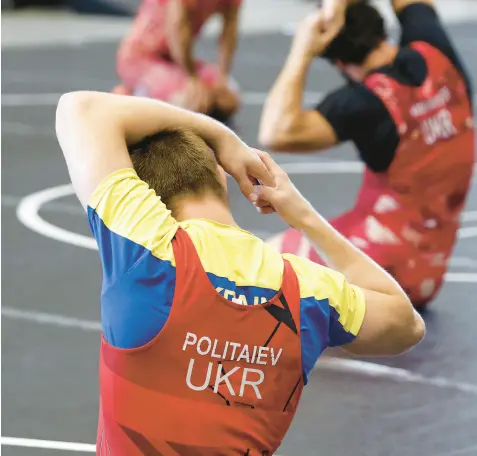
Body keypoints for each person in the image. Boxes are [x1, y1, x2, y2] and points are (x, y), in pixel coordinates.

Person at [56, 91, 424, 455]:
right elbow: (406, 326)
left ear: (142, 195)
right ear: (221, 175)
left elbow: (81, 108)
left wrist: (221, 136)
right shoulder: (308, 290)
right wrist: (304, 217)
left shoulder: (148, 254)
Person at [259, 0, 475, 309]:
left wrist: (302, 50)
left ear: (339, 63)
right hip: (428, 275)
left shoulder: (366, 103)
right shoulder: (436, 50)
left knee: (259, 263)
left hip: (376, 271)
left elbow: (276, 132)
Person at [112, 0, 241, 120]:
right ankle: (131, 96)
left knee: (229, 98)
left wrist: (222, 76)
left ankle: (145, 92)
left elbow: (229, 31)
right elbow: (177, 30)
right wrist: (193, 79)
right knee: (190, 102)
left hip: (175, 61)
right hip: (140, 58)